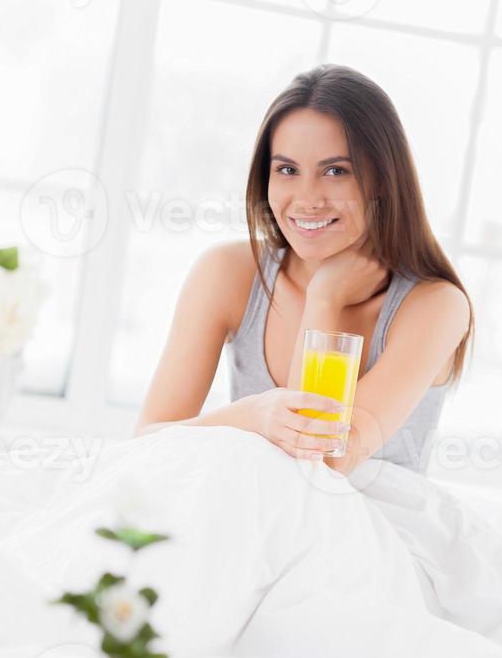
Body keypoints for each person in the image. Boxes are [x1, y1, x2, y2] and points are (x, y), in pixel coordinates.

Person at [135, 63, 472, 478]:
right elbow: (148, 441)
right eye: (287, 170)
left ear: (383, 180)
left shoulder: (436, 306)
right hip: (255, 508)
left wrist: (324, 299)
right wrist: (253, 415)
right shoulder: (228, 273)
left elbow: (324, 460)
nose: (307, 198)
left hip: (373, 526)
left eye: (336, 171)